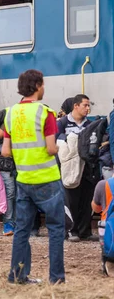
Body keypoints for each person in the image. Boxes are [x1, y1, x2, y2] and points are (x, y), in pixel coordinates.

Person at [2, 69, 65, 285]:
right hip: (47, 178)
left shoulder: (10, 113)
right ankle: (56, 279)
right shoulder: (45, 112)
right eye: (43, 84)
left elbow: (6, 151)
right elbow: (50, 148)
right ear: (38, 86)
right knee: (56, 228)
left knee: (22, 230)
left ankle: (17, 276)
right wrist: (59, 147)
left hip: (24, 180)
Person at [57, 94, 97, 242]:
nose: (88, 108)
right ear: (76, 106)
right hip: (69, 168)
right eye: (85, 105)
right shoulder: (62, 123)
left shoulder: (90, 125)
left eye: (88, 106)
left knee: (87, 199)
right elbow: (56, 140)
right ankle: (72, 231)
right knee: (71, 200)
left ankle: (85, 230)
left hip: (87, 168)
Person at [91, 178, 114, 277]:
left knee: (104, 228)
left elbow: (96, 208)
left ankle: (107, 262)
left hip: (108, 230)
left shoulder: (103, 184)